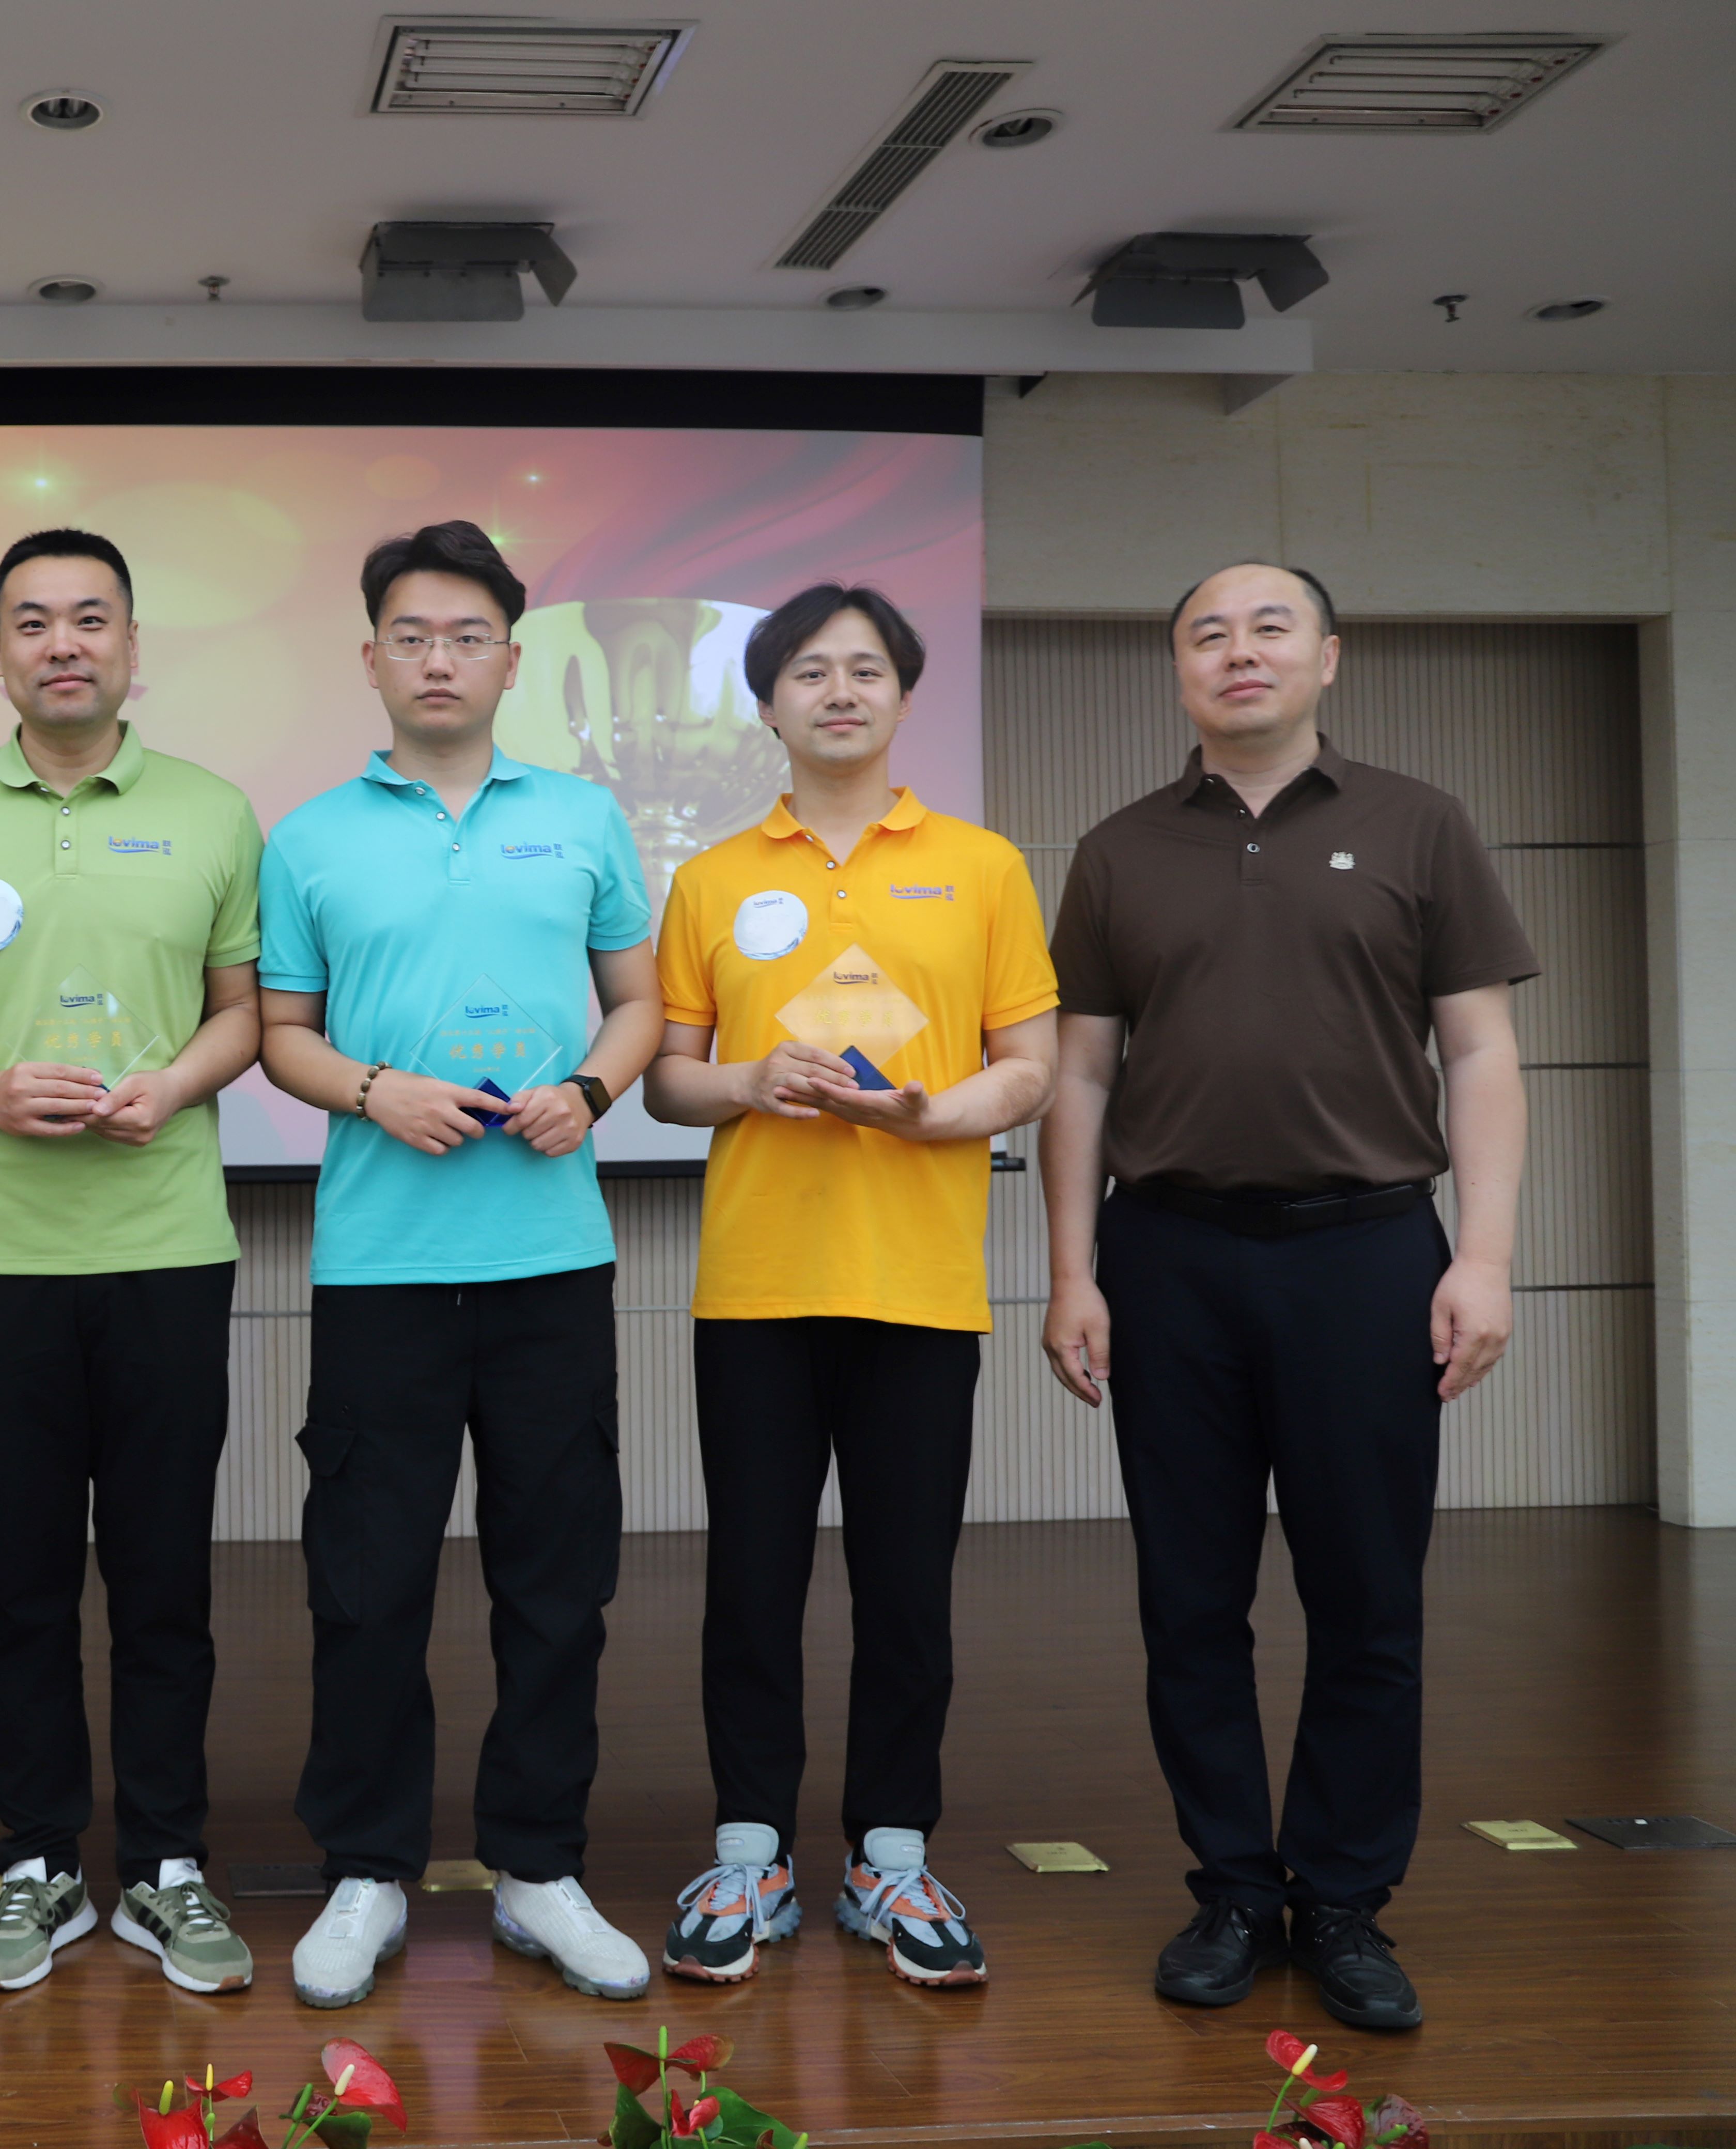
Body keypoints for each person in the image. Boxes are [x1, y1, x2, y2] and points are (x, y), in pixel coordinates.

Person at [1040, 563, 1532, 2033]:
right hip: (1169, 1256)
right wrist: (1070, 1271)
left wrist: (1485, 1255)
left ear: (1330, 657)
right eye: (1207, 633)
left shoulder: (1419, 823)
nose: (1238, 652)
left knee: (1368, 1595)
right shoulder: (1119, 850)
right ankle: (1236, 1890)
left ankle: (1344, 1898)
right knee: (1189, 1599)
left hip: (1367, 1255)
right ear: (1178, 669)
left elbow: (1481, 1053)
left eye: (1270, 628)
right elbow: (1079, 1074)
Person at [256, 520, 667, 2009]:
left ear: (510, 658)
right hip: (383, 1261)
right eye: (414, 636)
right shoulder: (309, 837)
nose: (441, 659)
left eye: (468, 636)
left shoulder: (584, 817)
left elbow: (638, 1004)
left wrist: (593, 1091)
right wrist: (375, 1090)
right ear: (372, 658)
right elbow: (283, 1034)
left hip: (550, 1255)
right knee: (369, 1585)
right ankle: (368, 1868)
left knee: (558, 1582)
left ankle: (538, 1868)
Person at [0, 528, 266, 1995]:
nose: (63, 644)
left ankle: (165, 1864)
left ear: (134, 646)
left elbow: (245, 1011)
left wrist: (176, 1085)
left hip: (169, 1244)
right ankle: (39, 1861)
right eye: (31, 622)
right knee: (20, 1581)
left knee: (164, 1579)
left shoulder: (216, 812)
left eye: (91, 619)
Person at [643, 584, 1056, 1991]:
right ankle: (749, 1855)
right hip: (757, 1284)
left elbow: (1030, 1067)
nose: (838, 691)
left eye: (866, 669)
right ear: (768, 706)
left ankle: (891, 1856)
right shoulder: (710, 878)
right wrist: (748, 1080)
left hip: (922, 1282)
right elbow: (669, 1080)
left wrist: (936, 1115)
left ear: (904, 695)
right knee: (752, 1582)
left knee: (908, 1584)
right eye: (809, 672)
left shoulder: (982, 866)